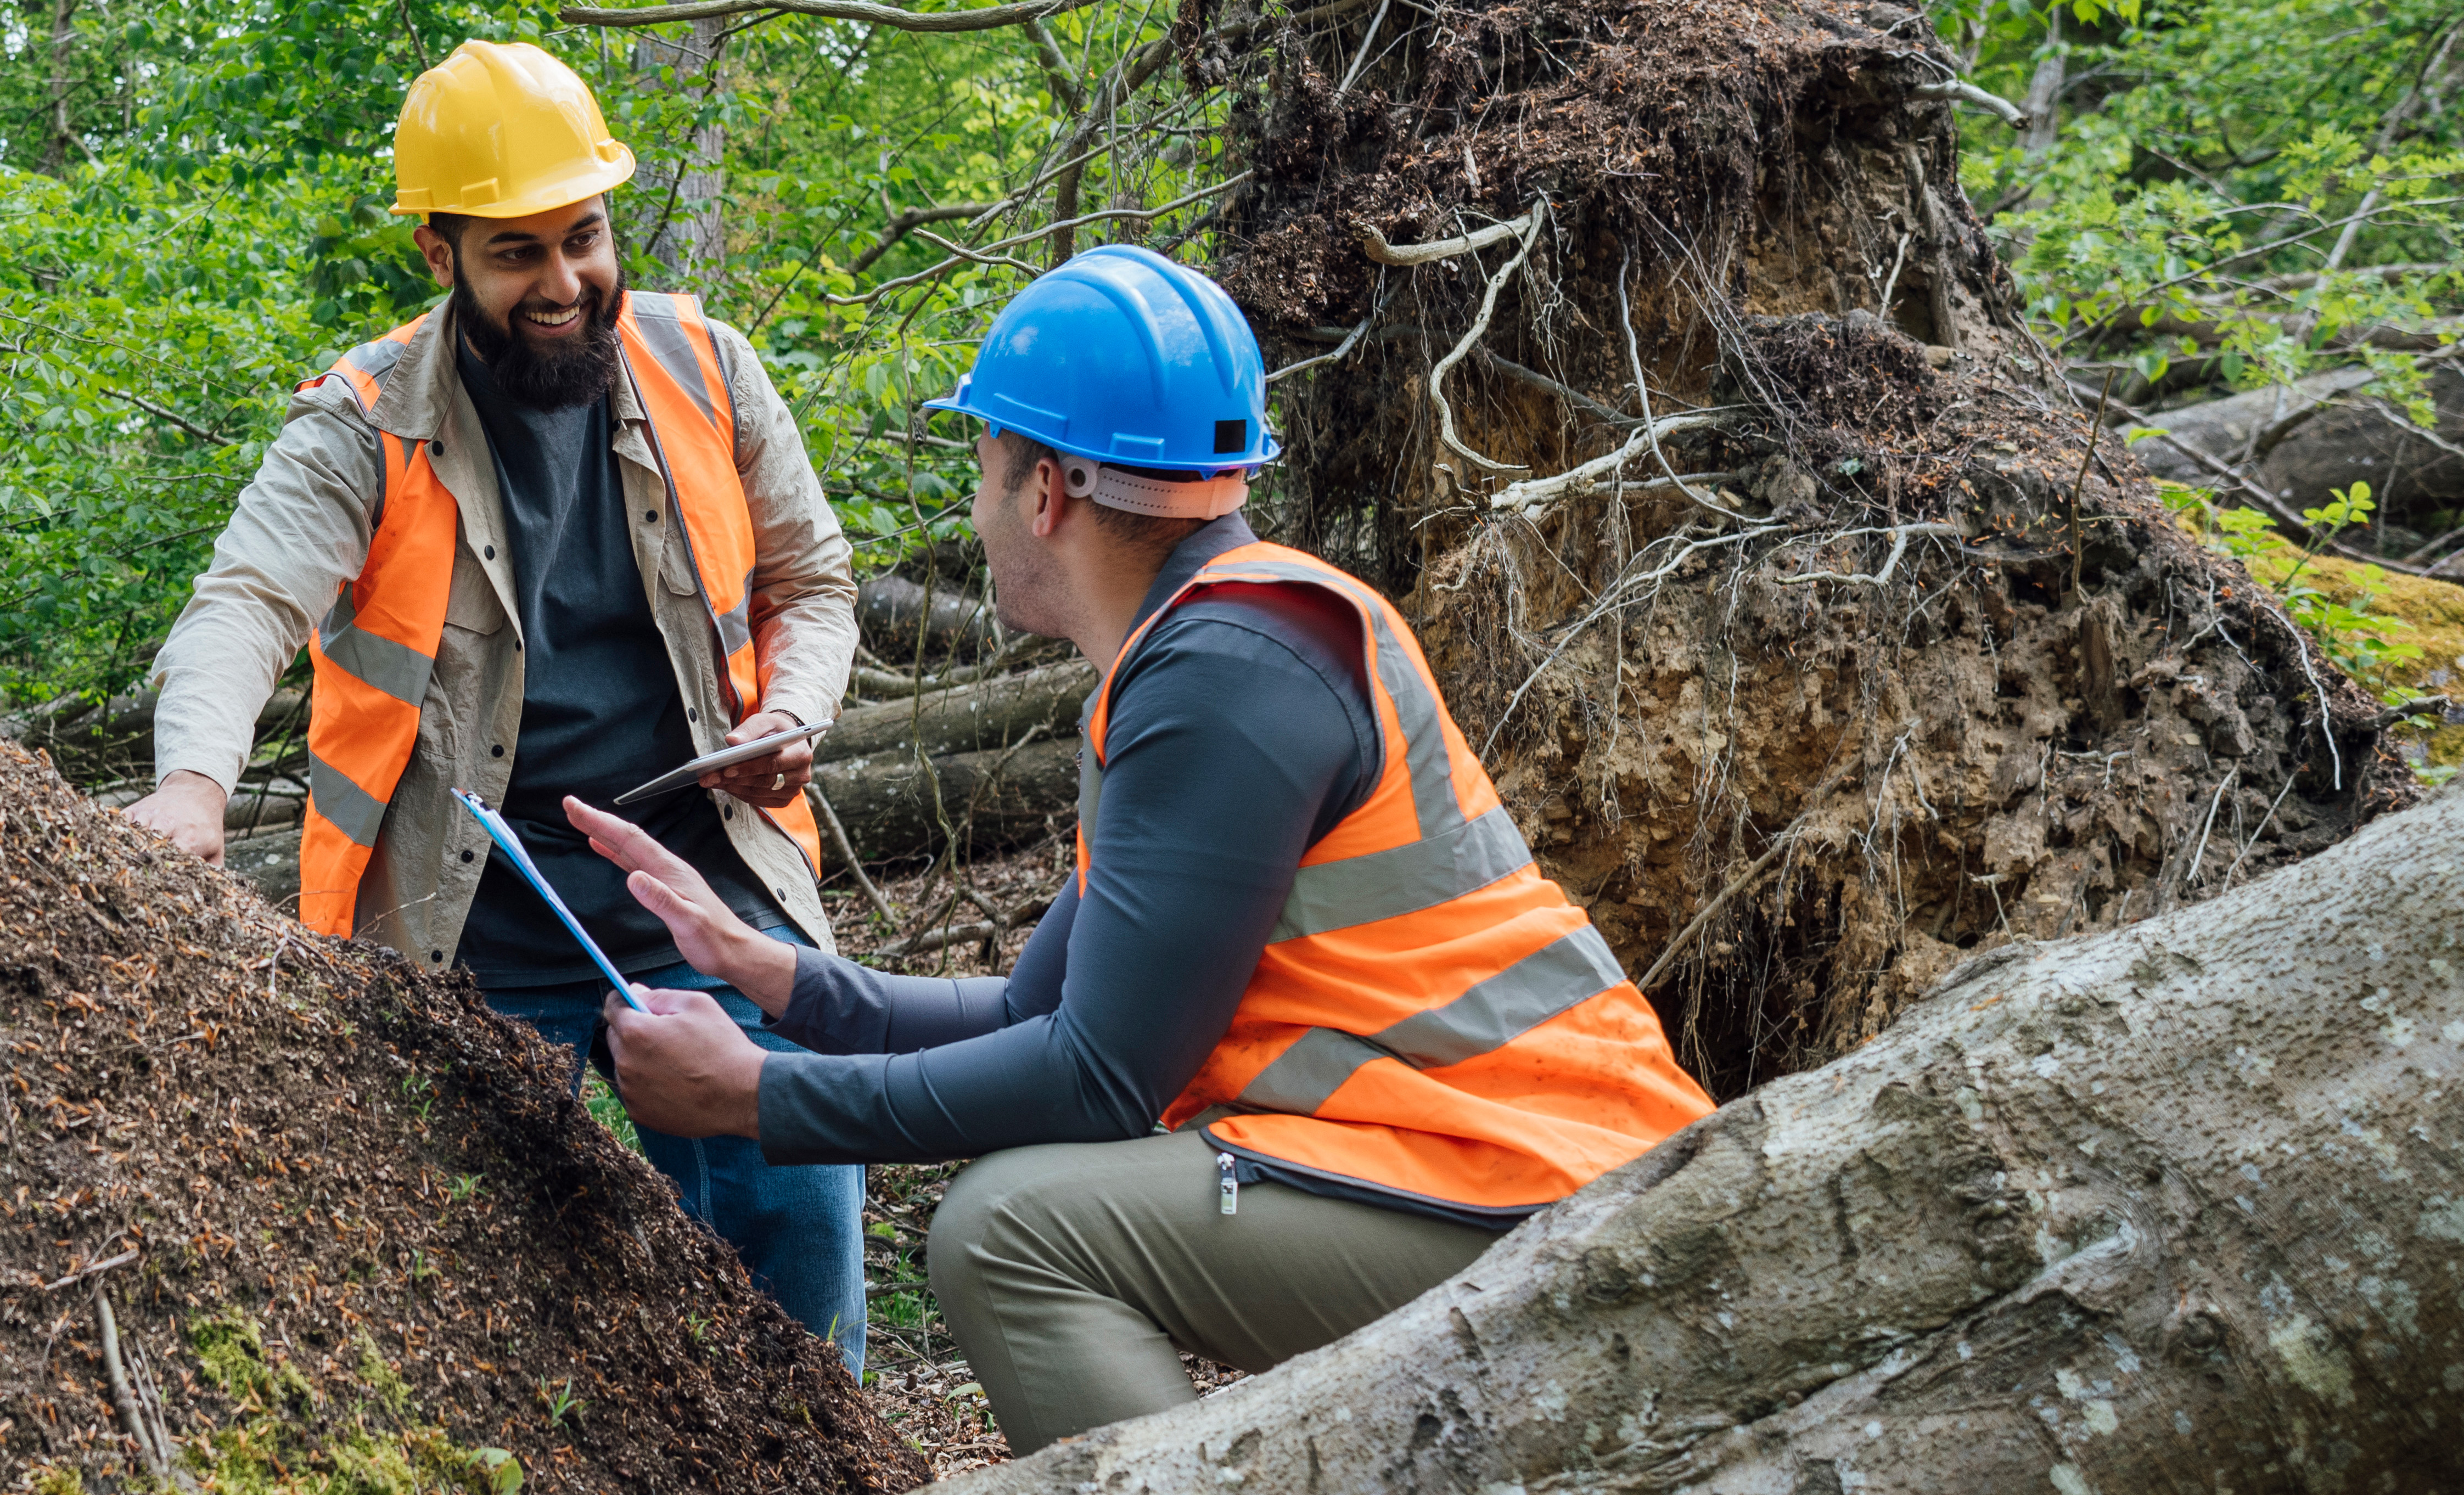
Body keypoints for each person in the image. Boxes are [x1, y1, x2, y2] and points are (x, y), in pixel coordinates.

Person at [570, 245, 1718, 1446]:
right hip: (1485, 1165)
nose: (976, 503)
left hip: (1548, 1190)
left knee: (1011, 1232)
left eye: (983, 461)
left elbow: (1094, 1081)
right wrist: (783, 982)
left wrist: (759, 1097)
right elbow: (1038, 1010)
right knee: (1017, 1210)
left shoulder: (1223, 677)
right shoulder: (1207, 650)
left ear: (1046, 493)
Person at [119, 40, 869, 1368]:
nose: (563, 283)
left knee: (794, 1258)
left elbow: (813, 585)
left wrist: (792, 710)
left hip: (709, 901)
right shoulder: (363, 422)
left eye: (581, 237)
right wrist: (191, 785)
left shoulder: (706, 366)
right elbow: (242, 604)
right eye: (515, 253)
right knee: (481, 1327)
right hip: (462, 936)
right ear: (439, 255)